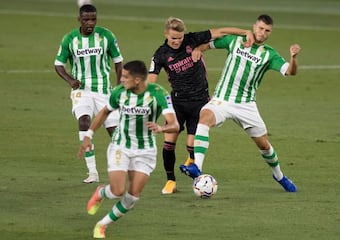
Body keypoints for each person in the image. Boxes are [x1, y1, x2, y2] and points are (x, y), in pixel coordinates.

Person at [179, 14, 301, 192]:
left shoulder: (269, 54)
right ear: (254, 27)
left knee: (264, 145)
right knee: (204, 117)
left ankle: (279, 176)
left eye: (267, 31)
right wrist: (199, 49)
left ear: (270, 33)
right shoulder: (235, 41)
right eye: (260, 28)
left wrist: (294, 58)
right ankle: (196, 166)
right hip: (222, 99)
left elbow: (290, 72)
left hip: (246, 105)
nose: (263, 33)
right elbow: (211, 43)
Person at [147, 17, 255, 194]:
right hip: (178, 102)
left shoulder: (192, 40)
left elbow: (219, 32)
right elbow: (151, 80)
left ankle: (192, 161)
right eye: (173, 38)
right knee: (169, 142)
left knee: (192, 143)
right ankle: (170, 181)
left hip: (200, 101)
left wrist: (245, 32)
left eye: (180, 38)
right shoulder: (160, 54)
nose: (177, 41)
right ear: (166, 34)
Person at [78, 60, 179, 238]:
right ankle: (102, 192)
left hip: (145, 150)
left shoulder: (158, 94)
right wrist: (89, 135)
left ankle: (102, 224)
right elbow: (104, 112)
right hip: (121, 146)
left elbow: (174, 124)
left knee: (133, 196)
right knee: (117, 191)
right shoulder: (119, 92)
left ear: (138, 80)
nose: (121, 79)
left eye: (125, 77)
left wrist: (161, 128)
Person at [54, 4, 123, 183]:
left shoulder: (106, 36)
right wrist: (70, 81)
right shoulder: (69, 39)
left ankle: (119, 167)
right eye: (86, 19)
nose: (90, 23)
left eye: (93, 19)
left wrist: (118, 88)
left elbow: (118, 62)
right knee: (84, 121)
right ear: (79, 20)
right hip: (81, 91)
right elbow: (58, 65)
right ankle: (92, 172)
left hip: (104, 91)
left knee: (113, 131)